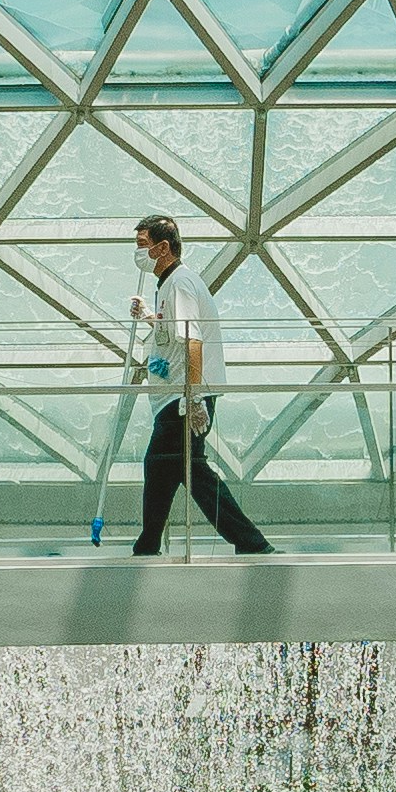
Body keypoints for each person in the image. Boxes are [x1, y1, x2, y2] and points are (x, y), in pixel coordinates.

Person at [129, 214, 271, 556]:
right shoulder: (169, 284)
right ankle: (149, 544)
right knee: (173, 469)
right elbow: (173, 331)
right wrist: (150, 316)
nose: (138, 254)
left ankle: (250, 542)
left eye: (142, 246)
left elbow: (192, 340)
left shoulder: (180, 283)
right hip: (176, 396)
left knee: (180, 469)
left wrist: (192, 400)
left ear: (163, 248)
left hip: (183, 397)